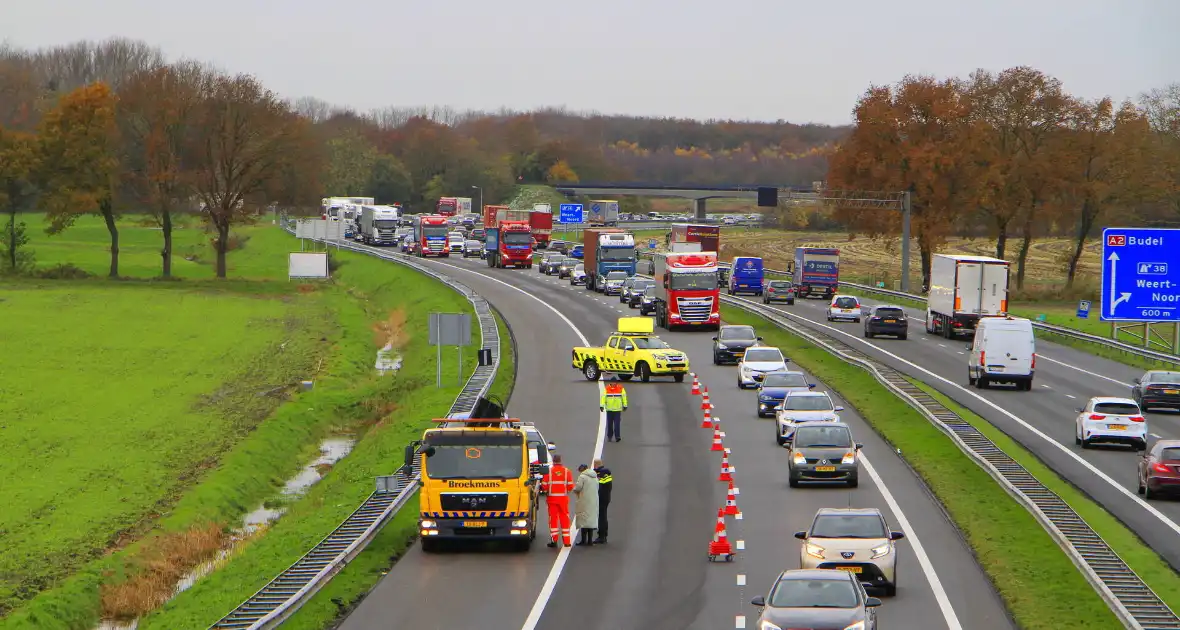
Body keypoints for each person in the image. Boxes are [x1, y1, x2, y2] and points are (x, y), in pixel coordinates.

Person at [540, 454, 576, 548]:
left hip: (552, 499)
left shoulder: (549, 472)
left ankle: (554, 540)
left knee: (553, 520)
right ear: (561, 460)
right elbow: (570, 486)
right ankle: (567, 541)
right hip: (563, 499)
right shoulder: (566, 471)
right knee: (565, 518)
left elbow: (544, 486)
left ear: (553, 461)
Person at [573, 463, 599, 545]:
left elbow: (578, 487)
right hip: (594, 500)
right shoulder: (595, 477)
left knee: (583, 520)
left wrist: (574, 490)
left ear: (582, 470)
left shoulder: (582, 477)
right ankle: (590, 541)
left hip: (584, 500)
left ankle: (583, 540)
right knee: (590, 520)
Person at [601, 373, 628, 442]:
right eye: (613, 382)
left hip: (617, 410)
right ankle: (609, 436)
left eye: (615, 382)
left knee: (617, 424)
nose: (614, 384)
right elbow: (603, 397)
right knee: (610, 424)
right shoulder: (607, 389)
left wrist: (625, 405)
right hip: (609, 410)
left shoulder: (620, 388)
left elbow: (624, 397)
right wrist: (602, 406)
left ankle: (617, 436)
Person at [593, 458, 612, 544]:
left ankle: (601, 536)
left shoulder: (601, 473)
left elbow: (599, 486)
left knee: (601, 517)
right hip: (606, 497)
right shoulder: (606, 472)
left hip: (601, 498)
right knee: (603, 516)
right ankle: (604, 534)